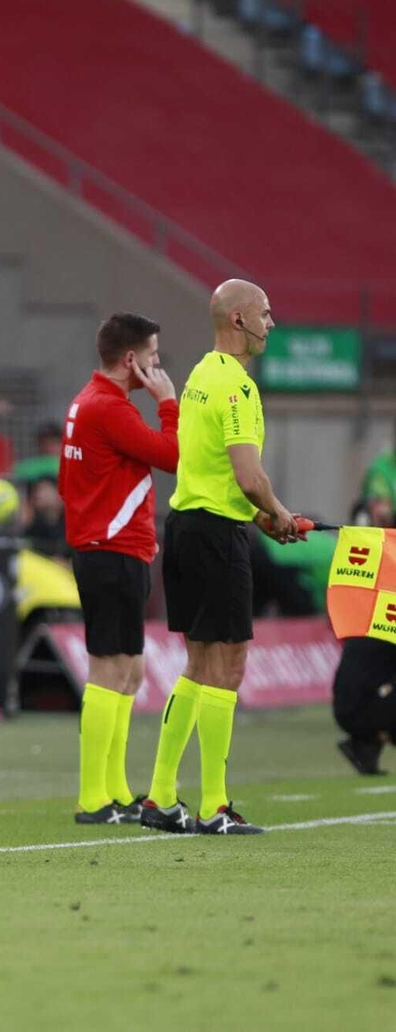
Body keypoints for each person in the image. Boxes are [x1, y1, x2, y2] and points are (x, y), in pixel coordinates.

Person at [143, 280, 304, 836]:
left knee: (198, 665)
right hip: (215, 538)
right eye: (265, 313)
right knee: (228, 668)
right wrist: (278, 512)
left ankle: (161, 798)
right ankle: (213, 806)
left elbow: (205, 470)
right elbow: (247, 474)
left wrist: (260, 516)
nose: (271, 323)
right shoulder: (236, 386)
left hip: (187, 526)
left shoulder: (198, 378)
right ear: (238, 319)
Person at [55, 312, 180, 826]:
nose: (157, 364)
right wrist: (168, 403)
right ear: (130, 358)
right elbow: (174, 455)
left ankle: (114, 789)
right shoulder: (110, 408)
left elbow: (69, 482)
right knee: (110, 669)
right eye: (153, 355)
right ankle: (92, 798)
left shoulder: (88, 403)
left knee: (127, 669)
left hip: (110, 548)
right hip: (110, 551)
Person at [333, 636, 396, 777]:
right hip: (363, 710)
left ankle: (364, 748)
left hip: (343, 710)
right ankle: (368, 742)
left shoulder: (370, 628)